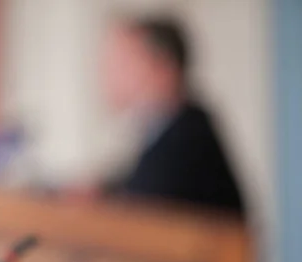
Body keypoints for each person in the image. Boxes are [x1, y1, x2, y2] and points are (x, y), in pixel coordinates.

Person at [100, 14, 244, 216]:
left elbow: (145, 202)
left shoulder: (188, 139)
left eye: (123, 62)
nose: (107, 73)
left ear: (163, 67)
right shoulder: (172, 128)